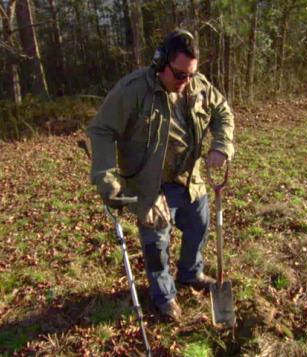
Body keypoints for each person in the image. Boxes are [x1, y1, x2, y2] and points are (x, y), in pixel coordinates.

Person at [86, 29, 235, 321]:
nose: (186, 82)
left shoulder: (198, 86)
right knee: (157, 246)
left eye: (191, 74)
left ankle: (191, 273)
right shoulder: (132, 91)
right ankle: (164, 296)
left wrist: (221, 145)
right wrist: (107, 179)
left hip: (189, 180)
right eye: (180, 75)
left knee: (199, 226)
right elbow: (101, 130)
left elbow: (223, 112)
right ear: (160, 64)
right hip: (150, 185)